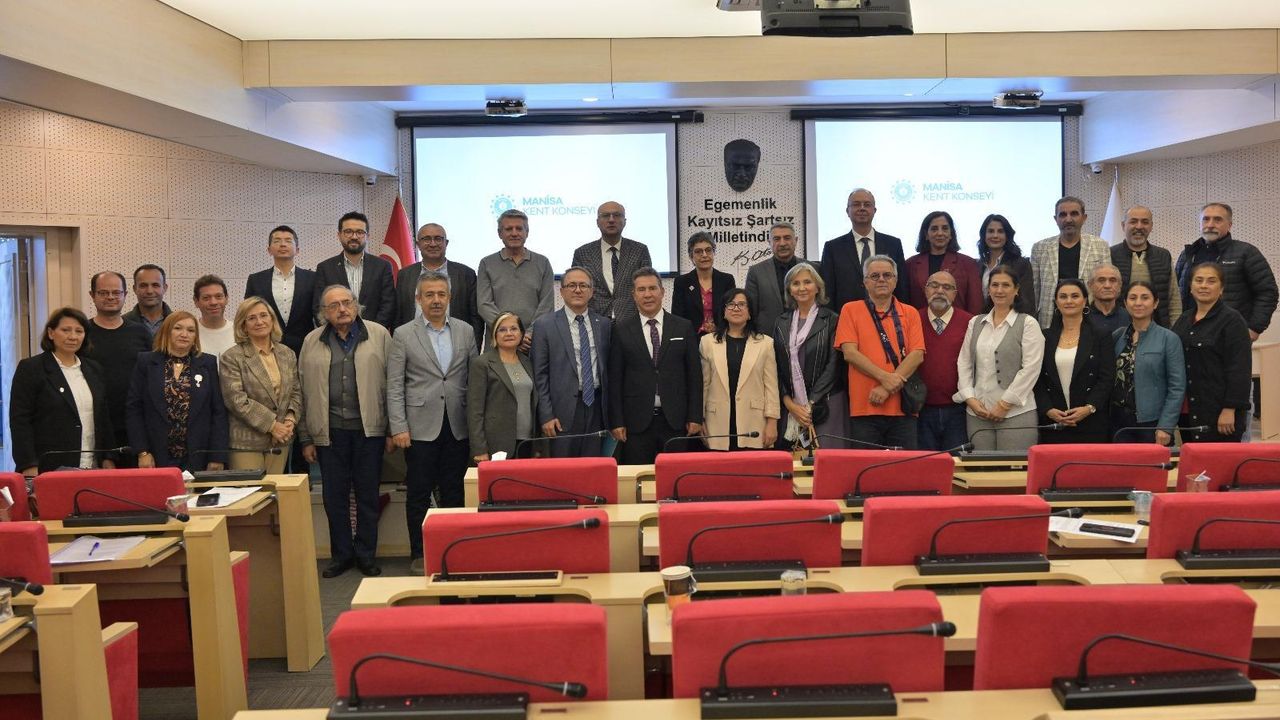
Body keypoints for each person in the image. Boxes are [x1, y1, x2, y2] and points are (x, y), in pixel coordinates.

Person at [298, 285, 393, 578]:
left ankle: (366, 555)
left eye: (346, 302)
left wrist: (392, 429)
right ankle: (341, 555)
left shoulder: (379, 335)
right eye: (334, 305)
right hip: (329, 432)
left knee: (367, 495)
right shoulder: (312, 340)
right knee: (334, 498)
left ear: (356, 304)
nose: (342, 309)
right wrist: (306, 437)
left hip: (369, 431)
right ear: (324, 313)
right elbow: (301, 390)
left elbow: (393, 383)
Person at [388, 272, 477, 574]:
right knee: (418, 493)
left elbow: (474, 381)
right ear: (418, 298)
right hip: (418, 427)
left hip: (458, 425)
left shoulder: (466, 331)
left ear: (449, 297)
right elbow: (394, 384)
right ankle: (420, 553)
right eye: (429, 294)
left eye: (441, 294)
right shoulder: (403, 334)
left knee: (454, 492)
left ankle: (454, 551)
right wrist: (399, 426)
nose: (436, 300)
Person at [609, 267, 703, 463]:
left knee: (674, 476)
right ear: (634, 295)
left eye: (652, 288)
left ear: (662, 291)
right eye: (641, 289)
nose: (647, 294)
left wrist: (695, 416)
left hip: (676, 421)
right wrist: (617, 421)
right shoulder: (620, 329)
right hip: (636, 423)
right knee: (639, 477)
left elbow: (694, 376)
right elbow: (615, 379)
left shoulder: (683, 327)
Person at [10, 308, 116, 475]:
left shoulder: (94, 369)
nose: (73, 336)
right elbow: (20, 422)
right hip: (48, 467)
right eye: (65, 330)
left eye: (79, 331)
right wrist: (28, 465)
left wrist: (108, 457)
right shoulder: (32, 368)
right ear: (51, 333)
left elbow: (104, 417)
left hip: (93, 464)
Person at [834, 255, 926, 449]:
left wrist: (885, 388)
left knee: (904, 466)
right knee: (867, 466)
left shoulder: (910, 312)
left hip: (904, 407)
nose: (881, 280)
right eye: (875, 276)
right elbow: (850, 353)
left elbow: (917, 354)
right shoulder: (850, 310)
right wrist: (886, 378)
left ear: (896, 280)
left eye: (887, 275)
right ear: (865, 281)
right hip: (865, 407)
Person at [955, 266, 1045, 453]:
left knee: (1013, 468)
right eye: (995, 285)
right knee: (981, 468)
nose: (999, 290)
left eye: (1006, 285)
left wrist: (1004, 404)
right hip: (977, 413)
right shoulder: (975, 322)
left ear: (1016, 289)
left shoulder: (1028, 323)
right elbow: (964, 362)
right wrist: (969, 398)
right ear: (988, 289)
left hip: (1016, 413)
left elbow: (1031, 368)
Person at [126, 310, 228, 471]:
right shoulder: (146, 362)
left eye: (190, 330)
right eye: (178, 328)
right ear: (167, 331)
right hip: (155, 454)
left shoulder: (207, 362)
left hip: (198, 454)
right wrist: (142, 451)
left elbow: (218, 412)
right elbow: (134, 409)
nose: (184, 334)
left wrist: (217, 456)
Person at [530, 267, 612, 457]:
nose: (577, 290)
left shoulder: (604, 324)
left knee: (593, 468)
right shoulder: (544, 325)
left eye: (583, 285)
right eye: (571, 285)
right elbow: (539, 375)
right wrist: (546, 415)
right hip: (561, 412)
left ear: (591, 291)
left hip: (596, 409)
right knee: (563, 469)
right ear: (561, 291)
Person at [218, 297, 301, 473]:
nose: (259, 322)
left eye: (264, 315)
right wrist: (272, 425)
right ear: (243, 325)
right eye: (252, 318)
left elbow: (296, 392)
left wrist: (290, 420)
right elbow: (236, 400)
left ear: (272, 319)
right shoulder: (232, 357)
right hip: (247, 442)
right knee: (251, 490)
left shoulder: (287, 354)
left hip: (281, 439)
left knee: (275, 489)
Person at [1172, 262, 1253, 443]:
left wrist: (1230, 408)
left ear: (1221, 288)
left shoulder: (1232, 320)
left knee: (1218, 460)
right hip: (1187, 410)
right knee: (1192, 459)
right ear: (1190, 287)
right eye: (1199, 280)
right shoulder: (1184, 319)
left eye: (1211, 281)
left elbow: (1239, 369)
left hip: (1219, 412)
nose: (1204, 286)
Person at [1175, 202, 1278, 342]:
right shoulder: (1187, 254)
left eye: (1217, 220)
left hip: (1230, 335)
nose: (1210, 224)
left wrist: (1255, 328)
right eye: (1206, 219)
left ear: (1229, 225)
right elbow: (1176, 293)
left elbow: (1268, 292)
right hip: (1189, 333)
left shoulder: (1246, 252)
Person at [771, 263, 843, 449]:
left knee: (826, 460)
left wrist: (810, 403)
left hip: (826, 403)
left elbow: (834, 365)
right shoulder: (781, 322)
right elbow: (776, 367)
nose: (801, 288)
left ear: (818, 287)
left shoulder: (832, 319)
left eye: (807, 282)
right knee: (795, 461)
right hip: (792, 408)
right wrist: (790, 404)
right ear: (789, 290)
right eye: (795, 283)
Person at [1034, 279, 1115, 444]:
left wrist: (1089, 408)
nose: (1069, 301)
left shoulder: (1101, 335)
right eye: (1063, 296)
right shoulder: (1044, 336)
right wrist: (1048, 409)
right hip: (1054, 421)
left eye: (1075, 296)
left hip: (1091, 420)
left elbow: (1107, 377)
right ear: (1056, 302)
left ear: (1085, 301)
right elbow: (1037, 378)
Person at [83, 270, 151, 460]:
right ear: (92, 295)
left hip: (134, 424)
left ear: (125, 295)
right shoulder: (83, 333)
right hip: (95, 424)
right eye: (103, 293)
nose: (110, 297)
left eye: (116, 292)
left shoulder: (141, 333)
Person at [700, 289, 779, 450]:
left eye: (742, 304)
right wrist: (699, 419)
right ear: (723, 311)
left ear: (750, 313)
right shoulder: (707, 342)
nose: (736, 308)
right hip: (717, 421)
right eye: (731, 304)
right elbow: (703, 385)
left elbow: (771, 387)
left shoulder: (766, 344)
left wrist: (772, 423)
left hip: (754, 423)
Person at [1111, 281, 1184, 445]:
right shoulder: (1118, 336)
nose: (1138, 303)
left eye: (1145, 298)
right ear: (1125, 303)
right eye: (1133, 298)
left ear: (1155, 303)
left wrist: (1166, 426)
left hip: (1153, 423)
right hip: (1119, 422)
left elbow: (1177, 387)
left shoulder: (1169, 339)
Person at [477, 209, 555, 351]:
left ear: (527, 232)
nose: (514, 233)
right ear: (500, 233)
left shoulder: (543, 263)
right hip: (498, 344)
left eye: (519, 228)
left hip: (532, 344)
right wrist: (510, 333)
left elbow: (547, 306)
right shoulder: (486, 263)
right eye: (508, 229)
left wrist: (527, 335)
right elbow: (484, 305)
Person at [394, 222, 482, 347]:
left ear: (446, 243)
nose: (433, 244)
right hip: (413, 346)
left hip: (455, 346)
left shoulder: (466, 274)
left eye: (438, 239)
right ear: (418, 245)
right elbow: (398, 315)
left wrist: (473, 348)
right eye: (426, 239)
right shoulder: (405, 274)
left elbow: (476, 318)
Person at [819, 188, 908, 312]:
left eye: (867, 204)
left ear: (874, 210)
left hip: (888, 316)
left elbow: (902, 286)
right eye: (856, 204)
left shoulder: (893, 244)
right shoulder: (833, 248)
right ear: (847, 211)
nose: (862, 208)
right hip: (847, 317)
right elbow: (827, 289)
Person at [467, 311, 539, 462]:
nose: (509, 333)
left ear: (521, 333)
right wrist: (479, 449)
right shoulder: (482, 364)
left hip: (527, 442)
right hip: (495, 444)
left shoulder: (528, 362)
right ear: (494, 335)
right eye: (502, 330)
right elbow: (475, 411)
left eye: (514, 329)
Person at [1029, 197, 1111, 328]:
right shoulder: (1040, 248)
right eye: (1062, 215)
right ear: (1055, 219)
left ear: (1084, 218)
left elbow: (1106, 285)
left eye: (1074, 214)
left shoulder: (1100, 246)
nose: (1068, 219)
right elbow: (1034, 289)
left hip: (1090, 318)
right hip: (1050, 319)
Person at [915, 271, 974, 450]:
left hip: (958, 410)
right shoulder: (912, 319)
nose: (940, 291)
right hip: (920, 410)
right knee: (925, 463)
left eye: (947, 287)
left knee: (956, 464)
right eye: (934, 285)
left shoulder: (970, 322)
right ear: (925, 290)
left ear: (955, 294)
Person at [245, 225, 318, 357]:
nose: (283, 244)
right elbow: (248, 313)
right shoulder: (255, 280)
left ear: (297, 250)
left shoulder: (313, 278)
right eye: (277, 241)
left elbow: (318, 313)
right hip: (267, 346)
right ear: (269, 250)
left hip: (305, 347)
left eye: (288, 241)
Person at [314, 211, 397, 329]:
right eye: (348, 232)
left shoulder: (383, 266)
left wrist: (373, 332)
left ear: (367, 236)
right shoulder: (325, 268)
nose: (354, 237)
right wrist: (335, 333)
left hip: (373, 334)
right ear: (339, 235)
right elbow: (319, 306)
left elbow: (388, 305)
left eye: (360, 232)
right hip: (335, 334)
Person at [570, 201, 652, 320]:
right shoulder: (583, 253)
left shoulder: (639, 250)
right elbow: (576, 290)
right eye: (605, 215)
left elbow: (647, 286)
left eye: (617, 215)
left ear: (625, 222)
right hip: (594, 321)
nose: (611, 220)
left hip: (631, 321)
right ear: (597, 222)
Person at [1110, 206, 1181, 326]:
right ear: (1123, 225)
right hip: (1119, 329)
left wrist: (1176, 329)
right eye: (1133, 221)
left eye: (1145, 222)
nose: (1139, 226)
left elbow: (1174, 299)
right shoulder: (1110, 255)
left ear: (1151, 226)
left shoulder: (1163, 255)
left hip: (1158, 328)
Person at [904, 211, 982, 314]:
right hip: (919, 322)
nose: (940, 233)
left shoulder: (968, 264)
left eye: (945, 228)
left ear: (951, 234)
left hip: (959, 323)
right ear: (926, 234)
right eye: (934, 229)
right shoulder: (910, 264)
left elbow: (975, 303)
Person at [671, 232, 735, 338]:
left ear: (714, 252)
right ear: (691, 256)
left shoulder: (727, 280)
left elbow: (732, 312)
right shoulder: (682, 282)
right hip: (691, 339)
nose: (704, 255)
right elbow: (677, 317)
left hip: (721, 337)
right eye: (698, 251)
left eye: (708, 250)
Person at [745, 222, 800, 335]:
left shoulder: (813, 268)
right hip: (768, 337)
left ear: (796, 241)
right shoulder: (756, 272)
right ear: (769, 243)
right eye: (776, 239)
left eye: (787, 238)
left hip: (807, 337)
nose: (782, 243)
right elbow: (750, 311)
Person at [975, 214, 1036, 313]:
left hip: (1011, 319)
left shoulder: (1021, 265)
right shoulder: (977, 265)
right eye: (990, 231)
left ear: (1007, 235)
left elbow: (1027, 302)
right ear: (984, 235)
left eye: (1000, 231)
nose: (995, 235)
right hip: (981, 319)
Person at [122, 263, 172, 339]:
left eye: (155, 285)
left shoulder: (179, 323)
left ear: (164, 288)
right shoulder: (122, 324)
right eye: (143, 286)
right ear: (135, 289)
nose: (149, 291)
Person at [194, 274, 235, 358]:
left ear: (226, 299)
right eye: (206, 298)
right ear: (196, 301)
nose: (213, 302)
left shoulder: (240, 332)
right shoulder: (189, 333)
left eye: (218, 296)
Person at [1086, 264, 1130, 336]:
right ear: (1090, 285)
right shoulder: (1081, 317)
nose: (1107, 286)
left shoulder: (1130, 317)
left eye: (1112, 280)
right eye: (1101, 280)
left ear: (1120, 285)